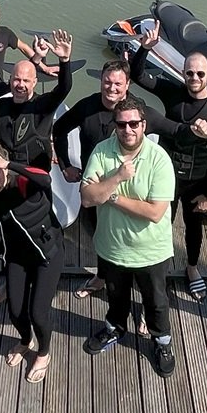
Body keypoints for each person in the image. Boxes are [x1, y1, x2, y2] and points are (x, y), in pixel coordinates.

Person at [130, 21, 207, 301]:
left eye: (200, 73)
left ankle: (192, 268)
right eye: (190, 72)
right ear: (183, 72)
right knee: (160, 225)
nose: (194, 77)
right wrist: (144, 49)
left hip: (196, 183)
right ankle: (157, 270)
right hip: (166, 178)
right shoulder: (172, 91)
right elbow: (138, 76)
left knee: (193, 226)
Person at [79, 98, 177, 378]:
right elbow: (87, 198)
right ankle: (115, 328)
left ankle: (161, 342)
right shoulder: (102, 151)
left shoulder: (159, 158)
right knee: (115, 295)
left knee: (156, 301)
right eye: (122, 124)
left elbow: (155, 212)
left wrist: (111, 196)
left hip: (151, 251)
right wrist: (118, 176)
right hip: (113, 246)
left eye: (134, 123)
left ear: (144, 125)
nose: (128, 129)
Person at [0, 139, 63, 383]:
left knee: (38, 313)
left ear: (5, 169)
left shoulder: (23, 184)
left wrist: (11, 164)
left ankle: (43, 353)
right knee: (15, 311)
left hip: (48, 255)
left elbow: (45, 179)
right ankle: (26, 341)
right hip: (18, 258)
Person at [52, 59, 132, 298]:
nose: (112, 88)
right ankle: (102, 276)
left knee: (125, 239)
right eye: (107, 82)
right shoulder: (87, 106)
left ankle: (130, 284)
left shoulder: (134, 113)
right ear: (101, 81)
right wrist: (66, 165)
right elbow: (59, 129)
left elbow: (167, 129)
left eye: (118, 83)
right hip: (92, 188)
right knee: (98, 236)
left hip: (126, 189)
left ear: (127, 85)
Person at [0, 31, 73, 170]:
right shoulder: (1, 106)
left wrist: (65, 60)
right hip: (6, 174)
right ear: (10, 81)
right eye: (17, 80)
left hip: (34, 177)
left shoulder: (43, 105)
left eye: (26, 81)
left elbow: (64, 88)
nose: (21, 85)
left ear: (34, 82)